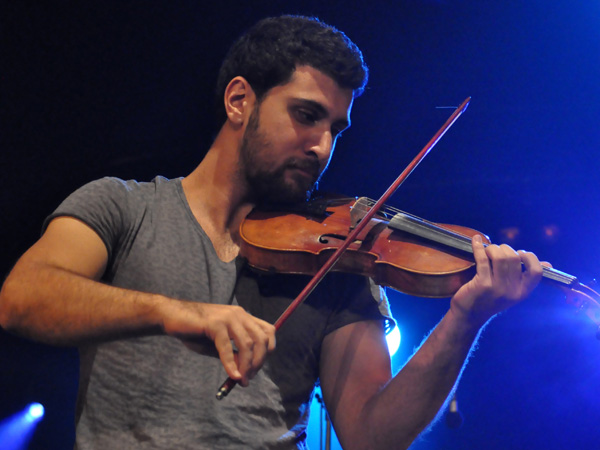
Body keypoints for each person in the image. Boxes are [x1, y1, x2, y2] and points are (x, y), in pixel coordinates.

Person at [0, 15, 544, 450]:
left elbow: (370, 436)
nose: (322, 146)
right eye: (306, 115)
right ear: (240, 100)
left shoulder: (338, 263)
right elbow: (23, 298)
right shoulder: (121, 205)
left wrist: (464, 320)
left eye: (335, 128)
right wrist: (176, 312)